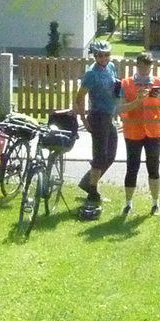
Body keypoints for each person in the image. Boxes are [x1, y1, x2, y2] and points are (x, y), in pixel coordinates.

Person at [115, 51, 160, 216]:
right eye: (142, 68)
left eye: (148, 68)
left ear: (151, 67)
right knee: (132, 167)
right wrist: (137, 101)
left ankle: (155, 203)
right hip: (133, 132)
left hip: (154, 132)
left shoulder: (159, 83)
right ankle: (128, 204)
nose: (145, 71)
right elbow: (119, 108)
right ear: (137, 66)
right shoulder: (126, 83)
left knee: (153, 168)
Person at [72, 40, 119, 207]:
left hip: (109, 116)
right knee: (100, 156)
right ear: (95, 56)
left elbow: (114, 88)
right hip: (98, 116)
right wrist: (84, 120)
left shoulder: (111, 67)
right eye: (100, 55)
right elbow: (79, 97)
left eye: (107, 55)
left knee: (111, 155)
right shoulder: (91, 74)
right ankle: (92, 192)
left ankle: (87, 182)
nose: (104, 58)